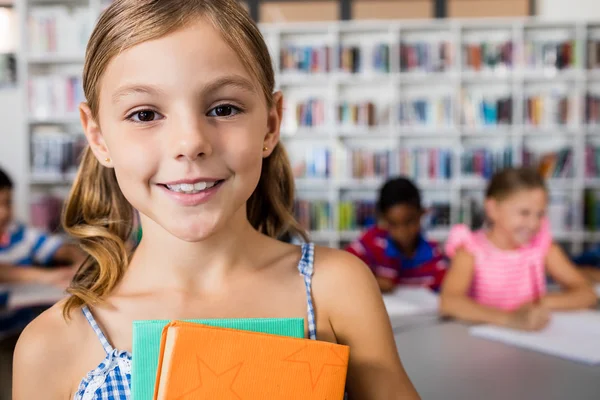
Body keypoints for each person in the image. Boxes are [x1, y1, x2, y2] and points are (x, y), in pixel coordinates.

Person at [12, 1, 420, 399]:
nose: (191, 143)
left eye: (224, 108)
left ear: (271, 124)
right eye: (144, 114)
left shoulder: (335, 289)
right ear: (98, 137)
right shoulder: (51, 345)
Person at [440, 167, 596, 331]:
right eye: (524, 213)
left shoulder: (542, 247)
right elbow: (449, 301)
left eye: (540, 214)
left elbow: (587, 293)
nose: (534, 224)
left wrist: (541, 302)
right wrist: (510, 319)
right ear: (493, 209)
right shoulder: (471, 249)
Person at [0, 167, 84, 400]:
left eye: (8, 203)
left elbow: (58, 247)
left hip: (24, 330)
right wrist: (44, 276)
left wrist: (79, 262)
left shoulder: (16, 232)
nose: (4, 212)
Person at [346, 177, 448, 293]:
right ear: (383, 219)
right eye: (393, 224)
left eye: (409, 222)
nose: (402, 232)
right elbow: (341, 271)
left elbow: (446, 295)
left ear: (422, 214)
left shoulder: (434, 256)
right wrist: (375, 282)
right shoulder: (370, 244)